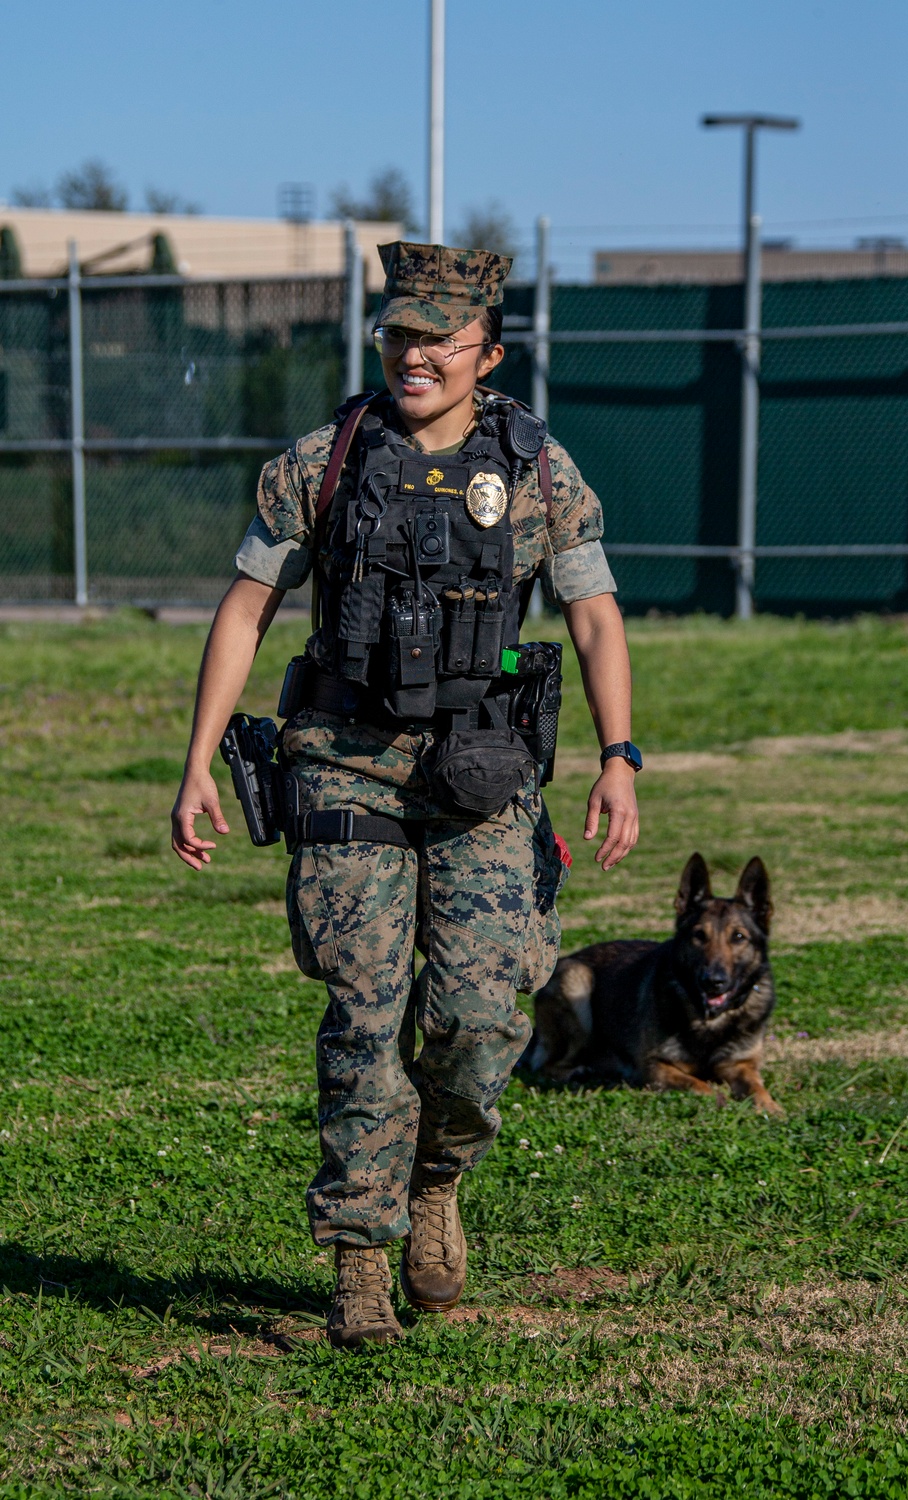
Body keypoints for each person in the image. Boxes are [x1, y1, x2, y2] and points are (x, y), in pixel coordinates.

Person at [171, 241, 641, 1348]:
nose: (414, 354)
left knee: (480, 1021)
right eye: (399, 334)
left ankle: (436, 1181)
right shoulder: (322, 462)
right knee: (363, 1015)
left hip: (479, 772)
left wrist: (621, 757)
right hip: (340, 760)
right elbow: (245, 610)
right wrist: (195, 761)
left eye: (437, 338)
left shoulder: (536, 468)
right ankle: (358, 1261)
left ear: (487, 350)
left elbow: (593, 616)